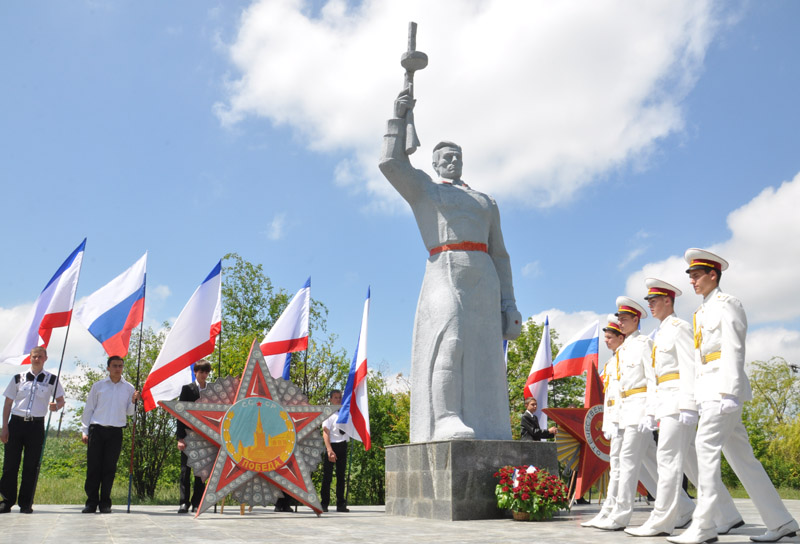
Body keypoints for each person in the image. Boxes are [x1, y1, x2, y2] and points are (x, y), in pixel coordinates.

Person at [379, 89, 522, 443]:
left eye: (457, 156)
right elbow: (391, 164)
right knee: (450, 339)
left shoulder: (485, 201)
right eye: (446, 156)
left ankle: (489, 425)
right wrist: (398, 119)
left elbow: (500, 255)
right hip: (445, 268)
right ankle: (445, 417)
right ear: (435, 163)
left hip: (484, 274)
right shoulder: (426, 190)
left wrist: (509, 304)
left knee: (485, 353)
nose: (453, 160)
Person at [667, 249, 799, 544]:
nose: (692, 281)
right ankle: (781, 521)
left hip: (723, 389)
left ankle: (705, 526)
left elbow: (734, 347)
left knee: (705, 446)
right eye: (690, 276)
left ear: (713, 275)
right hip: (708, 391)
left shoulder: (728, 304)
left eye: (697, 275)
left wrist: (730, 391)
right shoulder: (700, 312)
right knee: (743, 459)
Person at [596, 296, 687, 531]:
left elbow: (652, 378)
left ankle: (620, 515)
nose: (620, 323)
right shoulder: (623, 350)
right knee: (649, 465)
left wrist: (651, 411)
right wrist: (613, 419)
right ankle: (685, 507)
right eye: (619, 319)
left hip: (639, 409)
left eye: (624, 319)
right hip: (625, 412)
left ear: (636, 320)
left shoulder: (644, 344)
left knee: (628, 460)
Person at [0, 347, 65, 514]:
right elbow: (8, 404)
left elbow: (61, 400)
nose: (37, 359)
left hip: (36, 426)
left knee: (31, 466)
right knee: (10, 465)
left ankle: (26, 503)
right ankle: (6, 501)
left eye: (40, 357)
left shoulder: (52, 379)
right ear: (30, 358)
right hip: (16, 423)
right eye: (34, 356)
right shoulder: (18, 378)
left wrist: (56, 406)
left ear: (45, 358)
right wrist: (4, 427)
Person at [81, 355, 140, 514]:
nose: (117, 369)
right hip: (97, 429)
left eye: (120, 366)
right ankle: (91, 502)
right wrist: (85, 431)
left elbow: (129, 412)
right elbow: (89, 409)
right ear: (108, 368)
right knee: (93, 468)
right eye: (114, 366)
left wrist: (134, 401)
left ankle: (105, 503)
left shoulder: (129, 388)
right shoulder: (98, 386)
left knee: (109, 468)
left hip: (115, 432)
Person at [176, 360, 210, 514]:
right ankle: (184, 502)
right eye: (201, 372)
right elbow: (180, 414)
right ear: (195, 372)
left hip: (204, 437)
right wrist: (180, 438)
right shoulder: (187, 389)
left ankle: (197, 502)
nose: (203, 375)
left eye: (206, 372)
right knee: (185, 471)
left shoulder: (211, 390)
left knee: (201, 472)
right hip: (188, 435)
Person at [321, 389, 349, 512]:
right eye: (335, 397)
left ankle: (340, 504)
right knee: (327, 477)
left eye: (339, 397)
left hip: (343, 445)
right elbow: (325, 433)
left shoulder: (344, 412)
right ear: (331, 399)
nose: (338, 400)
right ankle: (324, 504)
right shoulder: (328, 413)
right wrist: (329, 450)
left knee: (341, 477)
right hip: (332, 446)